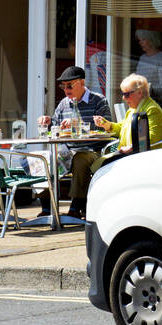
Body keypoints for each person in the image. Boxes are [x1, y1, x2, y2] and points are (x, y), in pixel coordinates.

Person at [38, 66, 109, 220]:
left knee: (80, 159)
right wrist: (48, 121)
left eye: (69, 85)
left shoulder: (98, 100)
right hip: (68, 150)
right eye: (63, 86)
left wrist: (78, 123)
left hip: (92, 150)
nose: (66, 90)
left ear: (82, 82)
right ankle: (46, 205)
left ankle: (76, 206)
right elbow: (56, 125)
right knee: (41, 159)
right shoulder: (64, 103)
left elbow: (106, 127)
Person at [94, 73, 162, 153]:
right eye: (122, 94)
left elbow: (152, 138)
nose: (123, 98)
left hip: (147, 158)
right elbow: (122, 129)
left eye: (126, 94)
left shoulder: (152, 109)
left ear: (139, 93)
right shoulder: (132, 110)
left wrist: (131, 148)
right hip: (131, 155)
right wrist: (107, 125)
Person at [134, 29, 162, 115]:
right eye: (139, 40)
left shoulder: (161, 57)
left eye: (143, 39)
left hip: (159, 107)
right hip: (143, 106)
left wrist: (147, 88)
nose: (140, 42)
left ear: (152, 39)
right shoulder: (142, 58)